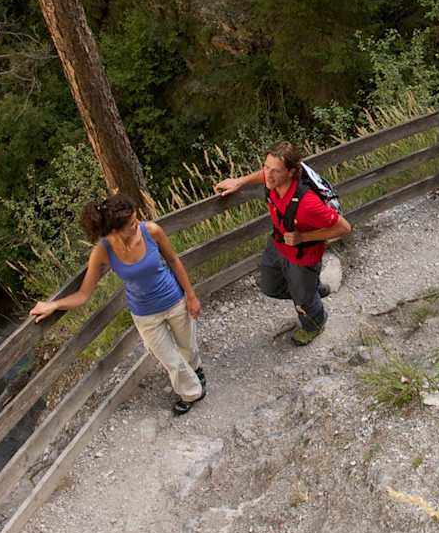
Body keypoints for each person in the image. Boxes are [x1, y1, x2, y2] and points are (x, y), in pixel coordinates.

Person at [29, 194, 207, 415]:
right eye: (131, 224)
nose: (137, 224)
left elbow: (174, 260)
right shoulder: (102, 251)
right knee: (169, 359)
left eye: (136, 219)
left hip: (173, 300)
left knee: (187, 346)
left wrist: (191, 296)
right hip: (145, 314)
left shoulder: (151, 231)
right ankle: (192, 392)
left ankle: (196, 367)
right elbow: (84, 294)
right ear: (114, 230)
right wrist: (54, 305)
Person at [214, 141, 351, 345]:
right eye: (266, 167)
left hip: (302, 256)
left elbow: (344, 228)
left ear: (291, 172)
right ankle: (311, 292)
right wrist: (239, 181)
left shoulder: (307, 204)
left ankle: (315, 322)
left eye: (275, 171)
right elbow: (265, 175)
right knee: (269, 286)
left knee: (303, 299)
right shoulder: (273, 181)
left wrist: (302, 238)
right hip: (277, 245)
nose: (268, 175)